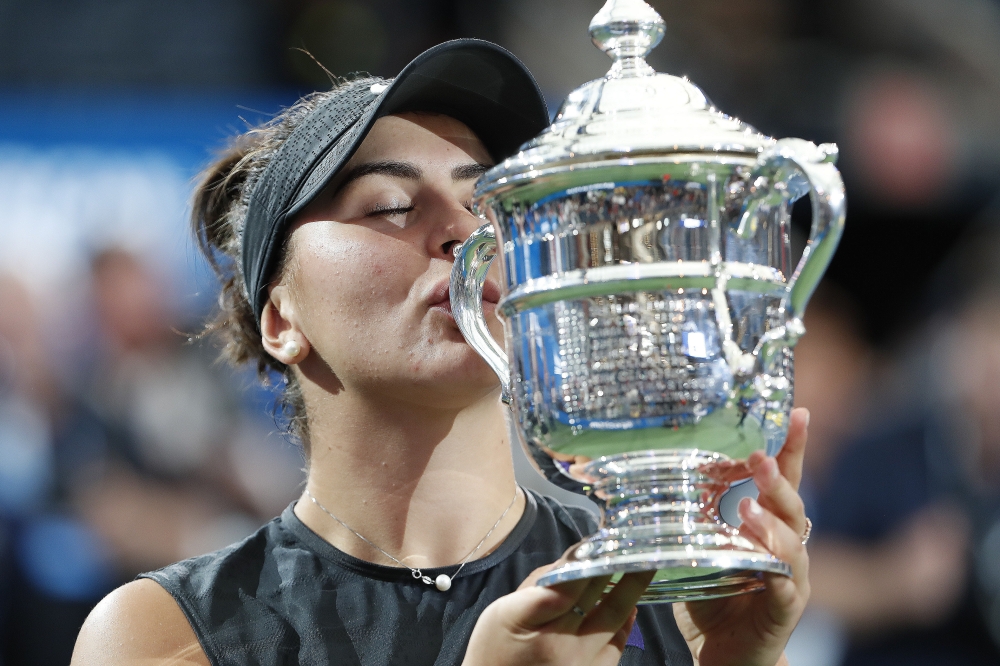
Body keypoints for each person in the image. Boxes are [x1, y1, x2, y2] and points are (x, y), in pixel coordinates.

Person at [70, 39, 811, 666]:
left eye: (489, 204)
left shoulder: (665, 592)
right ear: (280, 319)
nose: (465, 233)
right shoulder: (162, 635)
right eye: (391, 206)